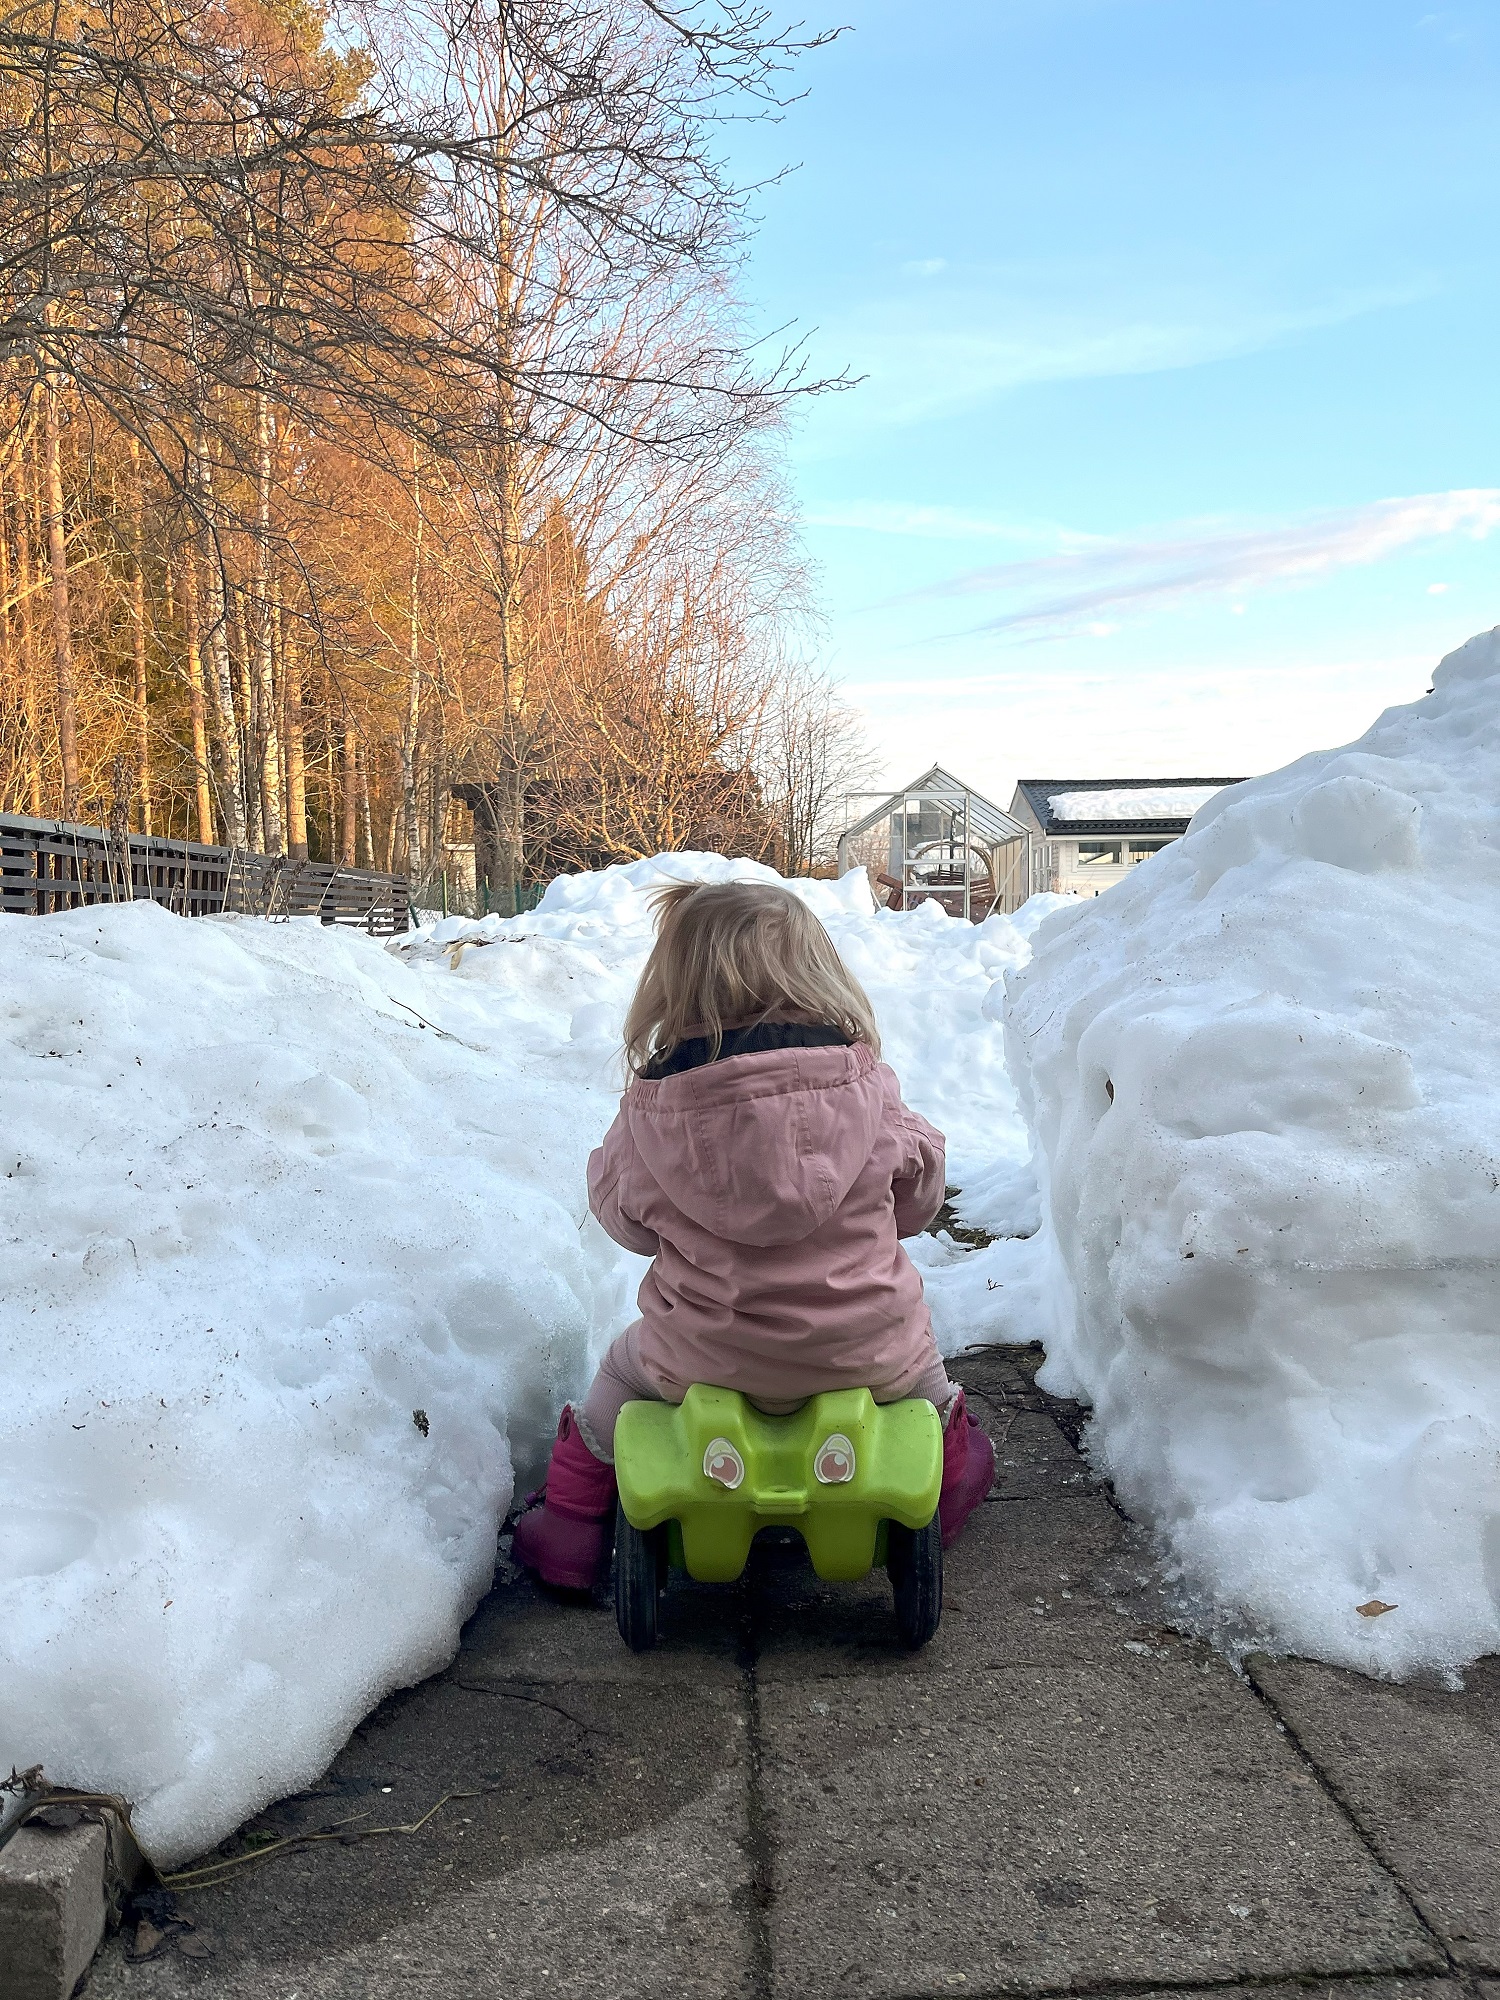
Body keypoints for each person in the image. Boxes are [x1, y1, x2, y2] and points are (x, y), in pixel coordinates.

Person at [511, 878, 996, 1589]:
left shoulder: (654, 1110)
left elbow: (625, 1222)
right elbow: (918, 1196)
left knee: (617, 1378)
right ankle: (947, 1487)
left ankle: (571, 1530)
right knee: (930, 1385)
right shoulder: (867, 1087)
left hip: (702, 1356)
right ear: (818, 973)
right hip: (869, 1351)